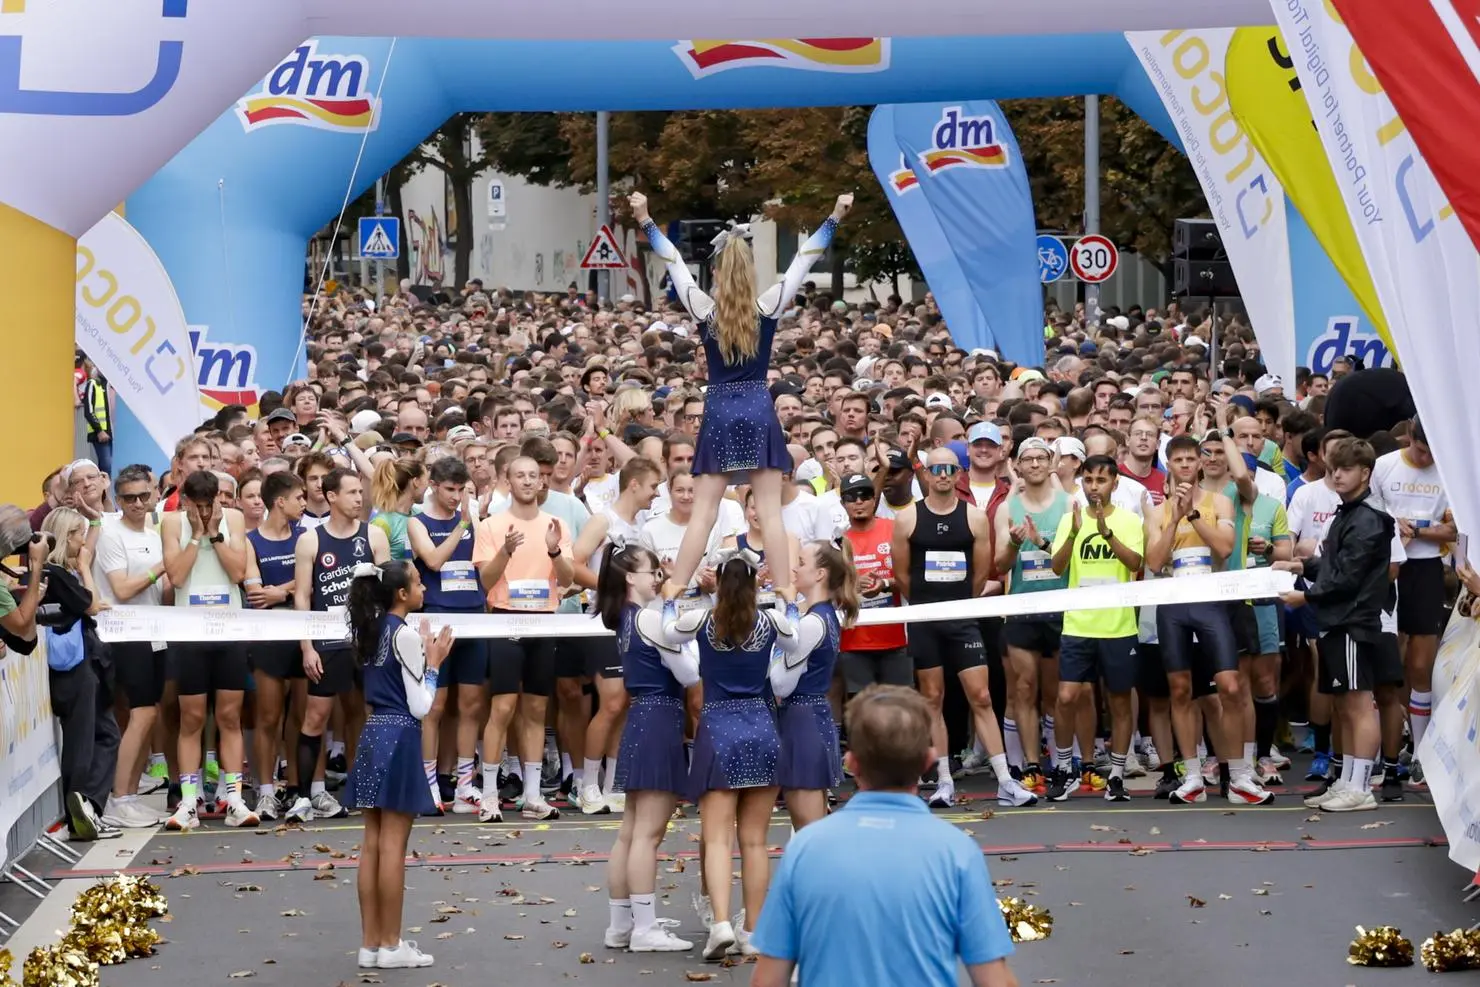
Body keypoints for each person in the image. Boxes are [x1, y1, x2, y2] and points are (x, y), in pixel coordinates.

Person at [631, 189, 852, 604]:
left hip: (718, 406)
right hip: (756, 403)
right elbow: (804, 259)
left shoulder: (703, 309)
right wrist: (835, 215)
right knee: (769, 511)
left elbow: (674, 262)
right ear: (750, 272)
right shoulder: (767, 306)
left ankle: (677, 585)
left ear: (716, 273)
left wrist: (645, 219)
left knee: (705, 510)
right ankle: (787, 589)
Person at [749, 685, 1018, 987]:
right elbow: (994, 979)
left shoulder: (805, 848)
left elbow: (767, 979)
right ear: (928, 761)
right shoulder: (956, 851)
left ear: (851, 763)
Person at [657, 549, 790, 961]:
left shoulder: (701, 620)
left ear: (718, 582)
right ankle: (752, 929)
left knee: (717, 839)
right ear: (753, 584)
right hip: (763, 728)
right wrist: (786, 599)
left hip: (719, 728)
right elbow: (796, 639)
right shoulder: (770, 622)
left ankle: (719, 923)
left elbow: (668, 633)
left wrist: (667, 599)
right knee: (755, 841)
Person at [892, 447, 1037, 809]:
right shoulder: (908, 518)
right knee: (933, 698)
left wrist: (960, 605)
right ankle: (944, 782)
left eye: (950, 469)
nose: (942, 475)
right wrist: (928, 606)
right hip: (925, 619)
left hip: (963, 619)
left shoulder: (973, 518)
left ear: (959, 475)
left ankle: (1005, 781)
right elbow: (902, 575)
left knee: (982, 696)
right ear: (926, 474)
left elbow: (981, 572)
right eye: (936, 469)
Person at [344, 559, 454, 970]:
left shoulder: (372, 629)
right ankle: (391, 944)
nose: (424, 587)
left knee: (372, 843)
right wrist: (435, 663)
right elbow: (421, 706)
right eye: (418, 582)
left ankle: (371, 943)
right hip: (399, 736)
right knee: (392, 845)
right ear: (402, 594)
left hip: (373, 734)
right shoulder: (403, 634)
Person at [1277, 437, 1396, 813]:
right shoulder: (1349, 511)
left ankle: (1360, 788)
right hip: (1337, 619)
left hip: (1353, 621)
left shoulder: (1368, 517)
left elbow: (1348, 577)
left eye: (1345, 468)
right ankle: (1347, 781)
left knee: (1360, 705)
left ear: (1366, 472)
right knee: (1345, 705)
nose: (1337, 475)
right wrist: (1302, 567)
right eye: (1333, 468)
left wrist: (1306, 596)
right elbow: (1334, 566)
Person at [595, 542, 699, 953]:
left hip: (643, 718)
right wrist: (674, 610)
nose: (658, 577)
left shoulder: (626, 619)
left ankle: (621, 923)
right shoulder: (650, 620)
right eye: (651, 571)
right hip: (659, 719)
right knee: (648, 835)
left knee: (630, 832)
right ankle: (645, 928)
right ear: (629, 578)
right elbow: (689, 672)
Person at [160, 470, 258, 830]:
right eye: (197, 506)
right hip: (189, 633)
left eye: (209, 504)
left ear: (219, 498)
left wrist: (214, 534)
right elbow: (178, 577)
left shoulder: (232, 519)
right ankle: (189, 802)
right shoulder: (171, 523)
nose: (203, 511)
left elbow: (237, 574)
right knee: (193, 718)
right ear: (186, 501)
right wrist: (196, 535)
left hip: (229, 630)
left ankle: (232, 798)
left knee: (230, 717)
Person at [290, 468, 389, 822]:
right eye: (350, 492)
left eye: (360, 492)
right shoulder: (310, 540)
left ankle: (365, 788)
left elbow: (387, 593)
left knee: (365, 714)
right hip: (327, 640)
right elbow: (302, 596)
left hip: (365, 640)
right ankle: (303, 796)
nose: (359, 498)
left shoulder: (374, 535)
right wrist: (307, 646)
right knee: (315, 716)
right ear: (331, 496)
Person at [1046, 456, 1145, 802]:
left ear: (1114, 483)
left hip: (1118, 627)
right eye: (1088, 480)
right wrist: (1074, 532)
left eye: (1101, 480)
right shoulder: (1068, 519)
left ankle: (1116, 774)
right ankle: (1062, 768)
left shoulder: (1130, 520)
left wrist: (1107, 533)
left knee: (1118, 702)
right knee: (1066, 697)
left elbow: (1135, 563)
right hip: (1078, 624)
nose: (1094, 487)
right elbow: (1057, 567)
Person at [572, 457, 663, 815]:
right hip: (604, 622)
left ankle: (612, 785)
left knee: (625, 701)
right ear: (634, 484)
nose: (657, 494)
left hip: (635, 623)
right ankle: (587, 785)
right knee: (609, 703)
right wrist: (611, 590)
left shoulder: (643, 525)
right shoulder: (603, 520)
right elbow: (575, 563)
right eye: (654, 486)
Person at [93, 464, 171, 829]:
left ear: (156, 493)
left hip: (155, 630)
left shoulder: (157, 534)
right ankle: (117, 798)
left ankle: (129, 794)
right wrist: (162, 568)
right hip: (125, 631)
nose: (137, 503)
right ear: (118, 500)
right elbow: (122, 589)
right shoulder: (112, 534)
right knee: (141, 714)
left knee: (150, 713)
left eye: (144, 495)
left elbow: (162, 589)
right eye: (129, 498)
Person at [408, 457, 485, 815]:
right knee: (434, 707)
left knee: (470, 705)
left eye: (461, 490)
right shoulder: (417, 522)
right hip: (436, 621)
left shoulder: (473, 521)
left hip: (473, 617)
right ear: (434, 486)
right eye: (450, 489)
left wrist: (474, 526)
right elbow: (434, 561)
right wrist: (463, 525)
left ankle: (465, 784)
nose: (456, 497)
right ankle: (428, 785)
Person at [994, 437, 1072, 794]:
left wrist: (1042, 542)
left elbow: (1072, 560)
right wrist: (1013, 542)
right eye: (1029, 459)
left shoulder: (1070, 504)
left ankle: (1059, 762)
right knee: (1024, 688)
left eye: (1042, 458)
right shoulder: (1007, 508)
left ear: (1051, 464)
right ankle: (1030, 764)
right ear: (1019, 466)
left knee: (1054, 693)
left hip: (1060, 610)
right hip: (1022, 609)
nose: (1036, 464)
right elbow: (999, 565)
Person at [40, 507, 121, 841]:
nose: (81, 542)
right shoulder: (54, 572)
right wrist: (86, 567)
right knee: (81, 739)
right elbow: (91, 603)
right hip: (74, 668)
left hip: (89, 663)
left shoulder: (62, 572)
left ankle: (90, 808)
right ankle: (79, 809)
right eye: (77, 535)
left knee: (107, 734)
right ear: (65, 536)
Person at [773, 540, 859, 829]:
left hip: (803, 719)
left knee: (810, 827)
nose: (795, 568)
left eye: (801, 562)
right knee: (809, 823)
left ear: (820, 574)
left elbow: (781, 683)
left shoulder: (813, 622)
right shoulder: (819, 616)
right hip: (806, 716)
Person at [244, 470, 307, 821]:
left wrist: (281, 591)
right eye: (299, 497)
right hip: (267, 638)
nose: (304, 502)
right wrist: (290, 587)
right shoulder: (252, 541)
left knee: (300, 718)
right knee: (269, 718)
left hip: (302, 635)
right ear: (280, 501)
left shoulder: (305, 535)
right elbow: (255, 592)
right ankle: (266, 791)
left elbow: (309, 580)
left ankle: (297, 789)